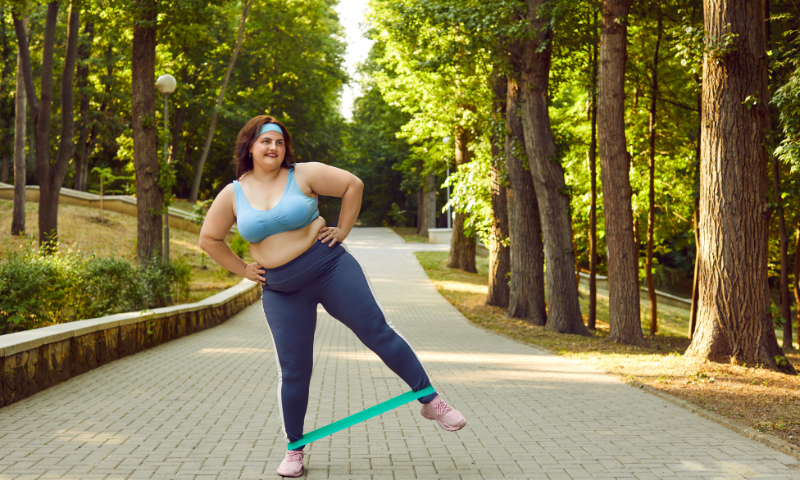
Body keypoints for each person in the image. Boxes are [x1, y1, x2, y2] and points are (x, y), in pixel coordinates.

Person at [199, 116, 466, 478]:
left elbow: (352, 185)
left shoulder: (303, 174)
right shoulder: (233, 193)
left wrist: (343, 230)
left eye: (279, 141)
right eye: (265, 142)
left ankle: (431, 400)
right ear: (250, 146)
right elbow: (209, 239)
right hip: (281, 290)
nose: (273, 147)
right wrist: (243, 269)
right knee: (295, 370)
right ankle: (294, 449)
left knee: (377, 331)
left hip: (330, 269)